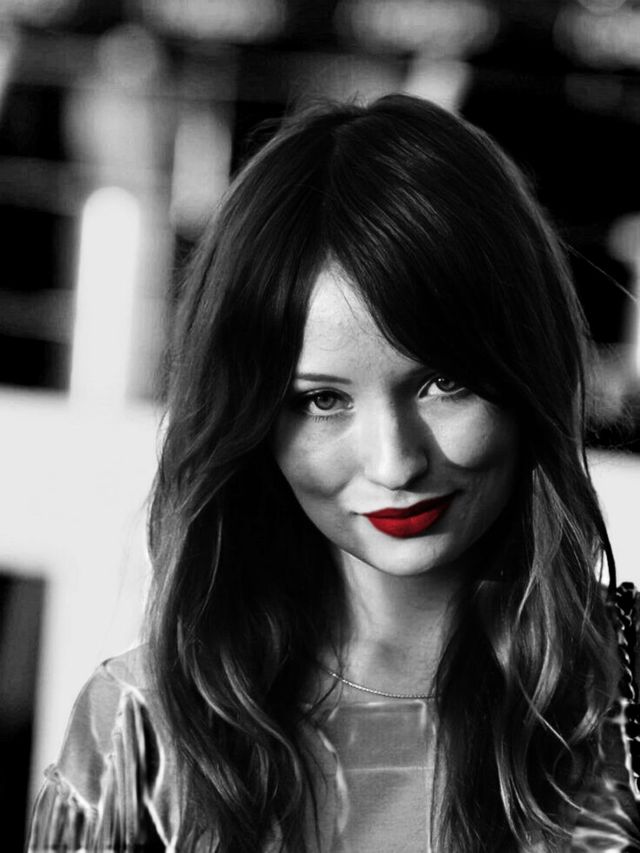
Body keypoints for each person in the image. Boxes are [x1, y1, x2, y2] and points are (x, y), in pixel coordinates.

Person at [28, 95, 640, 852]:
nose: (394, 462)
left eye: (443, 383)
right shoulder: (138, 732)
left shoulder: (622, 706)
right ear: (253, 421)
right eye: (322, 400)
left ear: (528, 371)